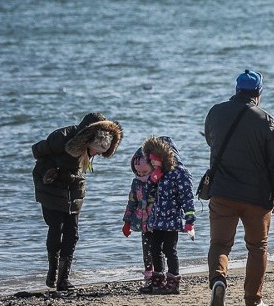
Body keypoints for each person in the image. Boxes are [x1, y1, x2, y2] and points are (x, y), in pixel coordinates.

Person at [205, 69, 274, 306]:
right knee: (258, 247)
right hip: (256, 197)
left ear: (237, 90)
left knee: (219, 243)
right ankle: (253, 300)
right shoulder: (266, 120)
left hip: (222, 192)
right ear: (258, 93)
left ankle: (219, 280)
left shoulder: (216, 112)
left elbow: (210, 140)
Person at [32, 113, 123, 291]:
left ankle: (63, 279)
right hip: (50, 188)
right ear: (88, 140)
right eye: (97, 150)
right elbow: (38, 154)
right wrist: (51, 173)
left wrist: (73, 176)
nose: (97, 154)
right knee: (55, 229)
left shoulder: (88, 149)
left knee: (72, 234)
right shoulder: (61, 138)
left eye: (102, 152)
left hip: (74, 189)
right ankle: (53, 272)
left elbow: (78, 170)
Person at [141, 136, 196, 295]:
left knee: (169, 250)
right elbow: (149, 195)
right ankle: (157, 281)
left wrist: (189, 220)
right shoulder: (158, 173)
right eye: (150, 159)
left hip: (172, 220)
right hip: (157, 220)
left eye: (155, 159)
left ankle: (173, 283)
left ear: (164, 157)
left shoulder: (180, 173)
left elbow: (187, 197)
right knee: (154, 248)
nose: (151, 163)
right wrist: (152, 180)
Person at [122, 148, 156, 290]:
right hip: (143, 223)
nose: (141, 175)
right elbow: (131, 202)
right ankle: (149, 277)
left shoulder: (157, 182)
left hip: (157, 222)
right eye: (138, 172)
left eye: (145, 172)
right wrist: (127, 222)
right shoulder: (136, 183)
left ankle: (160, 275)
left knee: (159, 250)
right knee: (146, 250)